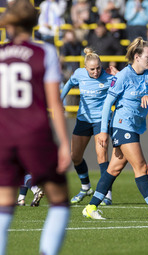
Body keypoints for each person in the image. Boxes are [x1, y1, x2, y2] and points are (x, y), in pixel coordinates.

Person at [0, 1, 71, 254]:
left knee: (4, 204)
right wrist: (64, 143)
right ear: (34, 24)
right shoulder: (45, 52)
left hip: (4, 135)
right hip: (35, 134)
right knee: (60, 200)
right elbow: (55, 102)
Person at [82, 37, 148, 220]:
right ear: (137, 57)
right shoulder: (123, 76)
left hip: (135, 126)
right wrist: (103, 131)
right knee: (141, 167)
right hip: (121, 125)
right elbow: (107, 104)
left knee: (114, 169)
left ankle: (90, 207)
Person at [61, 47, 115, 205]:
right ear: (85, 68)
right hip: (83, 119)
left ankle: (106, 193)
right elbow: (68, 84)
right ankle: (86, 187)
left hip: (101, 121)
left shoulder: (108, 78)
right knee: (75, 157)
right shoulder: (79, 74)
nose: (96, 72)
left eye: (98, 68)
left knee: (101, 155)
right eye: (92, 69)